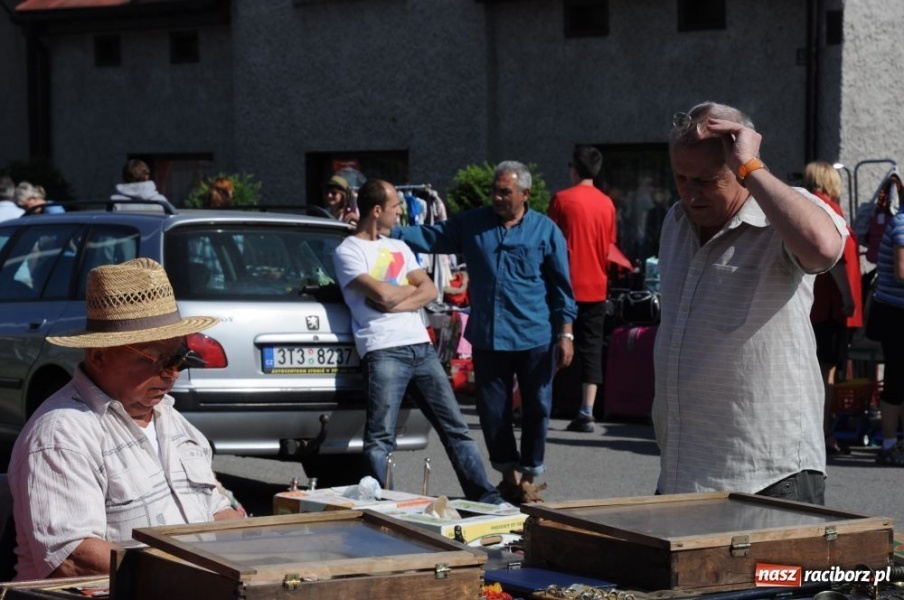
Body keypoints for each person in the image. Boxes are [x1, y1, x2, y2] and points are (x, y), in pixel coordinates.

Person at [653, 102, 848, 504]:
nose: (691, 192)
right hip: (683, 472)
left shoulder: (782, 211)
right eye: (680, 177)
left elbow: (824, 249)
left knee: (771, 572)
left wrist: (752, 166)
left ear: (741, 167)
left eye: (707, 180)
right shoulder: (675, 222)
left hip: (767, 474)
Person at [8, 258, 245, 581]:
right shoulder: (62, 433)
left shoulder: (171, 420)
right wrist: (192, 572)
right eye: (157, 359)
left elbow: (216, 513)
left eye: (178, 358)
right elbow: (73, 557)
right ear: (99, 356)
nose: (171, 373)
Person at [391, 161, 577, 504]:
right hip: (490, 336)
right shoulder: (472, 224)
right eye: (495, 190)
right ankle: (509, 476)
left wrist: (566, 334)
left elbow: (562, 288)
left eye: (505, 192)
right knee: (494, 410)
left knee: (538, 405)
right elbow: (434, 236)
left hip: (535, 335)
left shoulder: (545, 230)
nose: (497, 197)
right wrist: (389, 231)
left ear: (525, 194)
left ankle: (531, 473)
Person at [332, 179, 503, 504]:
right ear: (377, 209)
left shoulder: (399, 247)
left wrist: (392, 300)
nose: (400, 212)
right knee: (381, 437)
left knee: (456, 428)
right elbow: (382, 292)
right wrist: (402, 294)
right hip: (383, 349)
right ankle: (384, 505)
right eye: (395, 206)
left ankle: (487, 498)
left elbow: (429, 291)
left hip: (420, 346)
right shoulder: (348, 251)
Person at [548, 145, 617, 433]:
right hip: (597, 285)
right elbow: (610, 246)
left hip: (565, 284)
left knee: (552, 344)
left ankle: (538, 402)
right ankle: (586, 410)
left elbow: (549, 243)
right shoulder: (607, 204)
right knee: (591, 348)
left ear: (574, 169)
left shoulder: (562, 200)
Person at [803, 161, 863, 455]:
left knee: (822, 373)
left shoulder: (814, 207)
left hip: (824, 307)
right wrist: (849, 298)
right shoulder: (827, 210)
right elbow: (837, 258)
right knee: (824, 376)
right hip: (829, 308)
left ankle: (820, 432)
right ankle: (822, 433)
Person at [870, 198, 904, 465]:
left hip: (895, 312)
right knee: (896, 378)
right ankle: (889, 444)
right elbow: (902, 271)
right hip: (896, 315)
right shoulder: (902, 223)